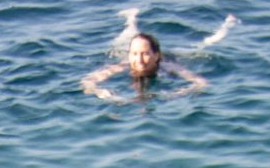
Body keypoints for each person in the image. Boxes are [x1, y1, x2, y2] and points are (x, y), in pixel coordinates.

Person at [80, 8, 237, 102]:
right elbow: (87, 82)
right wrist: (104, 93)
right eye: (135, 54)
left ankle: (226, 26)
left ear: (156, 56)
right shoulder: (123, 65)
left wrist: (177, 94)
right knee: (125, 38)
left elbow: (201, 83)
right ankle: (131, 18)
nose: (139, 60)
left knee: (202, 45)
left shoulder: (169, 65)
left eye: (145, 54)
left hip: (172, 57)